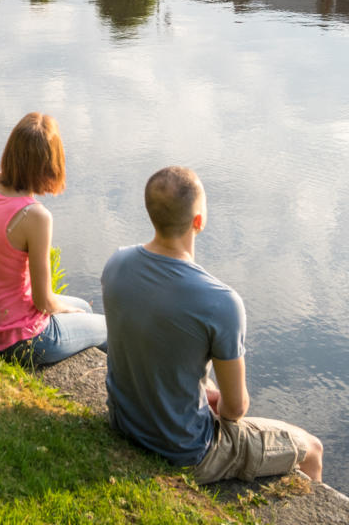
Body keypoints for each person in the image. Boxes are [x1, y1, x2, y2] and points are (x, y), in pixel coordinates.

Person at [99, 166, 323, 483]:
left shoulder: (117, 263)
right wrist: (221, 404)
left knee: (209, 385)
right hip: (184, 450)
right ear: (199, 221)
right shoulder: (221, 302)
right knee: (312, 448)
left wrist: (206, 393)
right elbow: (234, 409)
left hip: (123, 422)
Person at [0, 112, 107, 367]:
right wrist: (64, 310)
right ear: (49, 164)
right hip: (21, 341)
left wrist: (69, 309)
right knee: (111, 327)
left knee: (84, 305)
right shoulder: (35, 216)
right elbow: (43, 301)